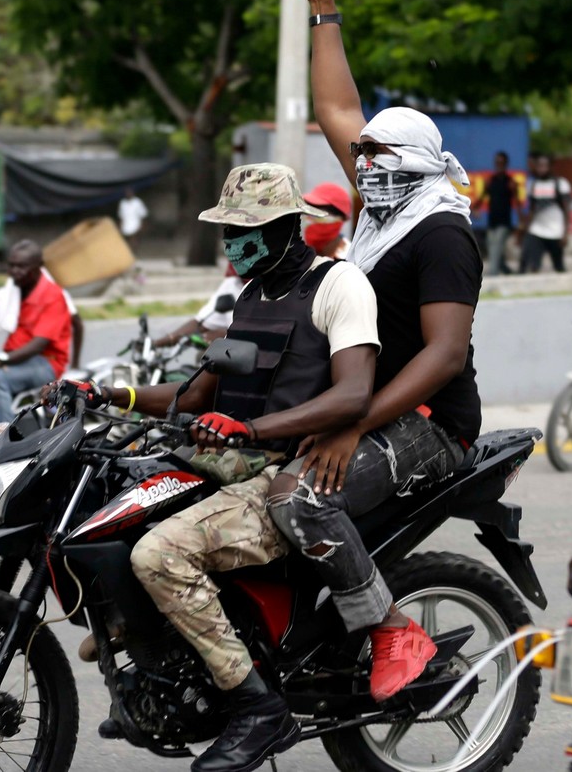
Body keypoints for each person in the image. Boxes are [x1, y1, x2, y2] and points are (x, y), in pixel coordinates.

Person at [52, 163, 381, 772]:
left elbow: (353, 395)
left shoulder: (339, 285)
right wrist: (107, 394)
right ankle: (157, 664)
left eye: (246, 227)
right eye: (228, 227)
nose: (233, 240)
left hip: (285, 471)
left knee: (160, 555)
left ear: (289, 227)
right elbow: (199, 391)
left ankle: (257, 709)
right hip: (226, 461)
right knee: (108, 517)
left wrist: (250, 430)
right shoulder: (252, 296)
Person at [273, 0, 482, 707]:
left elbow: (445, 353)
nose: (364, 161)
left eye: (381, 152)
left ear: (422, 162)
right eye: (362, 154)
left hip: (425, 419)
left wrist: (349, 427)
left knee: (300, 497)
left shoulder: (441, 232)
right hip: (358, 403)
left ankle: (390, 626)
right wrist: (321, 4)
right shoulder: (375, 213)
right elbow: (337, 110)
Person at [0, 240, 73, 427]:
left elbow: (39, 344)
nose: (14, 271)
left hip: (46, 362)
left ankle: (5, 445)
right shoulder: (13, 291)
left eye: (21, 267)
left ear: (39, 267)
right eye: (11, 265)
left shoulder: (51, 295)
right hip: (19, 359)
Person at [152, 266, 245, 349]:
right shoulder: (233, 283)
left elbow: (255, 331)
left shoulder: (258, 288)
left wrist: (223, 336)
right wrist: (160, 342)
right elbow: (200, 321)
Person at [518, 153, 570, 273]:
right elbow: (532, 209)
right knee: (532, 263)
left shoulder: (560, 184)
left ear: (550, 167)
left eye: (544, 165)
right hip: (537, 230)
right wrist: (525, 228)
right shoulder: (533, 185)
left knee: (559, 266)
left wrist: (565, 233)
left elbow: (567, 210)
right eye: (539, 166)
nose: (541, 169)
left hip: (555, 231)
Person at [476, 151, 520, 276]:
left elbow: (517, 203)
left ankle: (493, 275)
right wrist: (474, 208)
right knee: (493, 248)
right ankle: (507, 271)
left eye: (501, 163)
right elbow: (481, 198)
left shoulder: (510, 182)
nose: (499, 165)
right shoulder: (490, 181)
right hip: (492, 221)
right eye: (497, 162)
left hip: (504, 222)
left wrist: (521, 222)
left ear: (506, 164)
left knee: (496, 247)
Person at [301, 182, 353, 259]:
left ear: (341, 218)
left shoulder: (352, 261)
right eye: (309, 213)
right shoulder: (301, 258)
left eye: (318, 214)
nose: (309, 220)